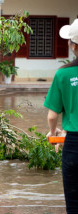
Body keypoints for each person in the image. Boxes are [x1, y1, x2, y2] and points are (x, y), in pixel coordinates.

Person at [44, 19, 78, 213]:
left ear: (72, 45)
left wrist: (53, 132)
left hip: (73, 144)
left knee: (73, 204)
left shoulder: (63, 75)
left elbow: (52, 116)